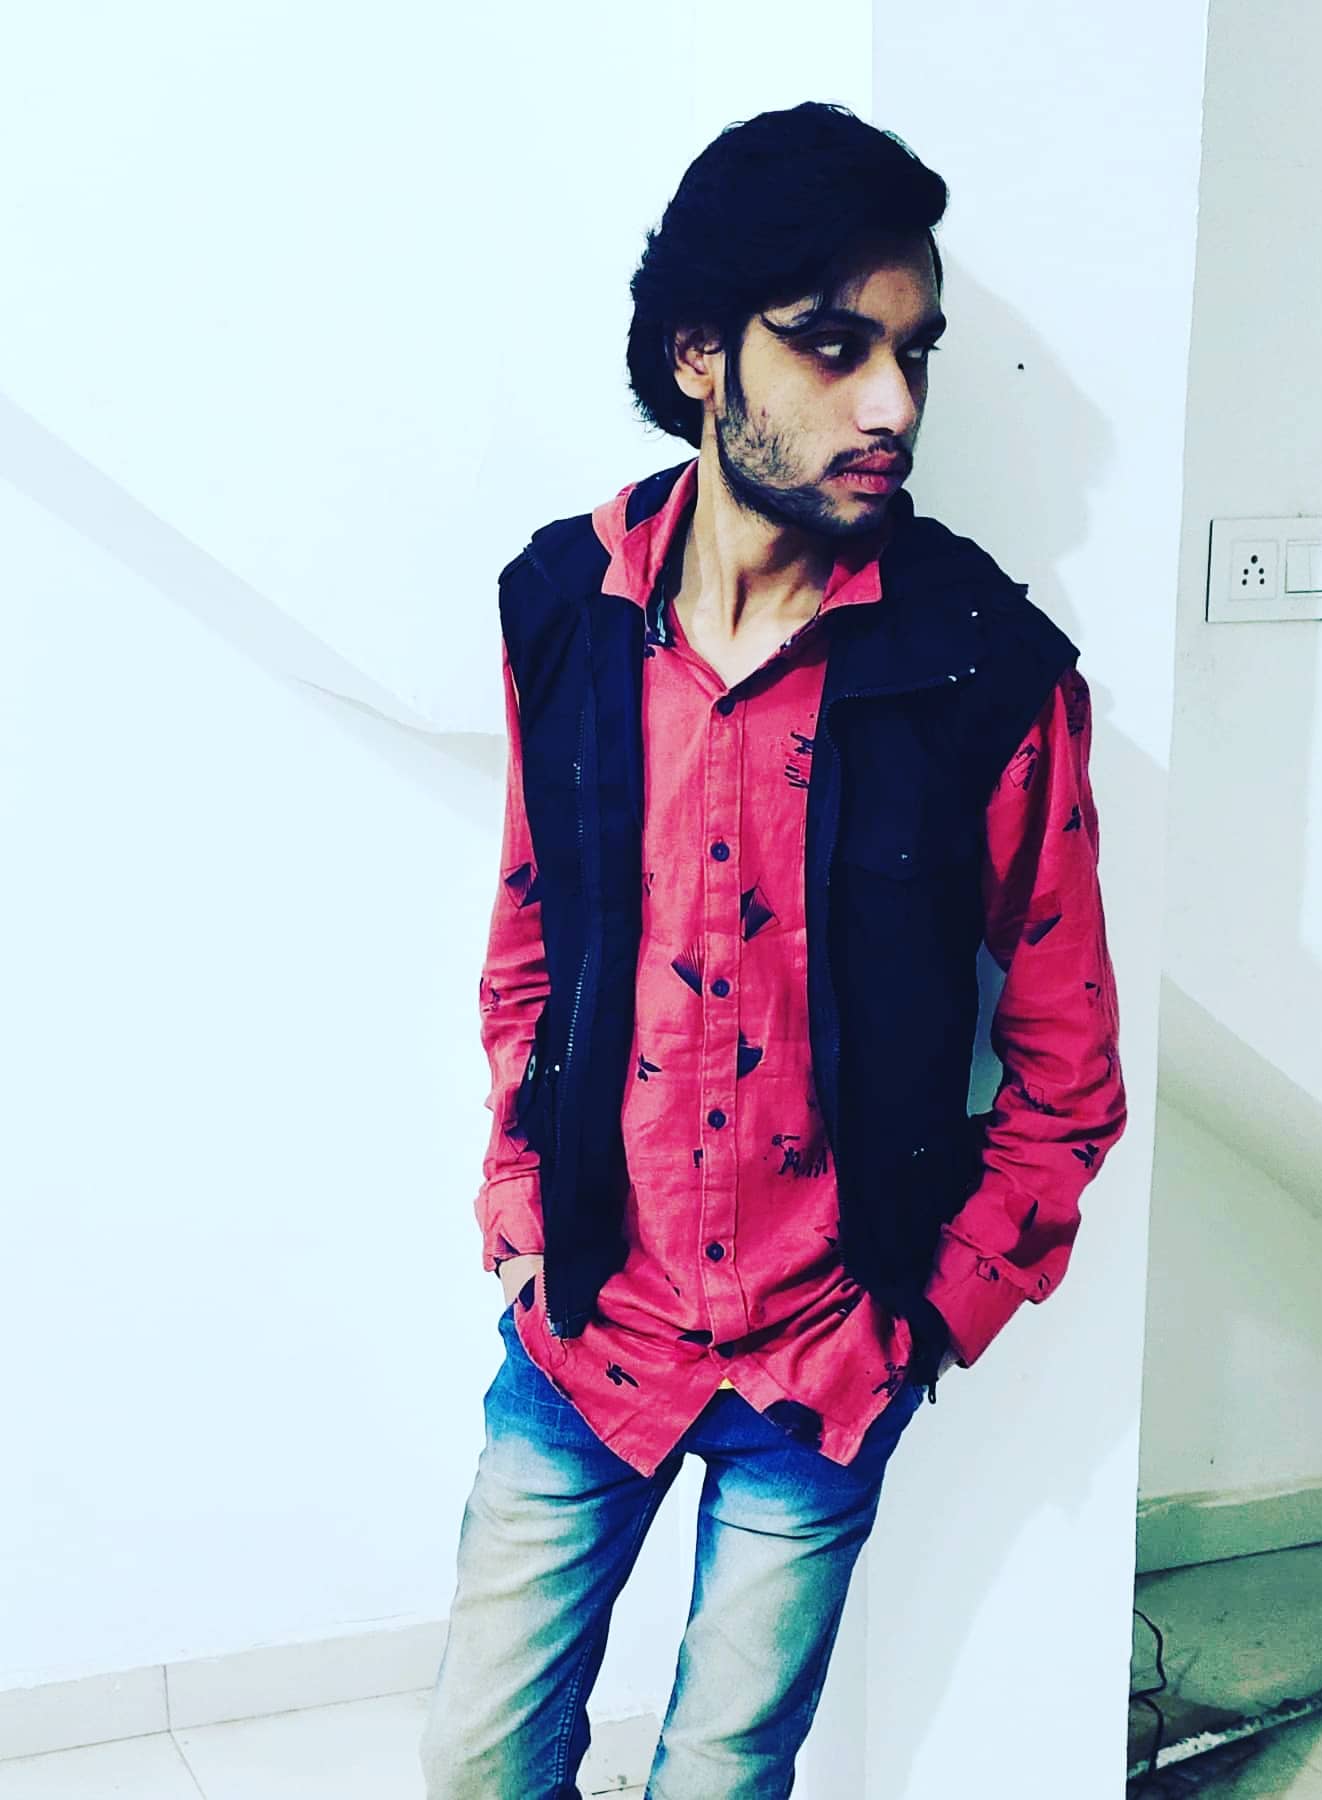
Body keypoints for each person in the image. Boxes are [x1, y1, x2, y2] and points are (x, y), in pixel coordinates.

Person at [419, 99, 1127, 1800]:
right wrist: (517, 1205)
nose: (893, 405)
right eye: (831, 345)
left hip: (825, 1352)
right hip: (591, 1318)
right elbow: (531, 938)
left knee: (722, 1778)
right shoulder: (563, 611)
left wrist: (933, 1314)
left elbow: (1069, 1072)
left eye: (911, 352)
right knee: (475, 1760)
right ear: (698, 355)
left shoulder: (987, 673)